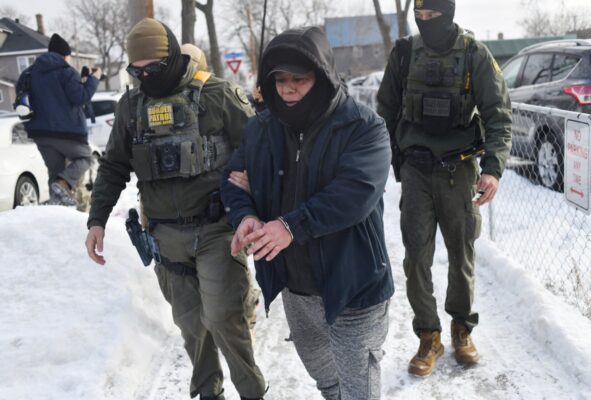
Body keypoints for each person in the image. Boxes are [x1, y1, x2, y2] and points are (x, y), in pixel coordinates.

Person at [84, 18, 267, 400]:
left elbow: (260, 150)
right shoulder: (131, 106)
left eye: (153, 68)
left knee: (223, 317)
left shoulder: (218, 95)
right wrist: (97, 219)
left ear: (171, 57)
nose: (146, 77)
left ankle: (252, 392)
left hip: (217, 230)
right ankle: (209, 392)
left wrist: (258, 205)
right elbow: (114, 165)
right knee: (191, 325)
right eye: (137, 71)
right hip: (165, 237)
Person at [221, 26, 394, 400]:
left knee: (358, 390)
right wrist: (246, 216)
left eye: (299, 79)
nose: (288, 89)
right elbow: (233, 181)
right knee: (326, 379)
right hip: (296, 286)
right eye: (280, 80)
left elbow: (355, 193)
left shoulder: (364, 127)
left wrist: (290, 225)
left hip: (354, 283)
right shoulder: (260, 129)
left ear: (323, 75)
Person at [377, 0, 512, 377]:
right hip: (416, 170)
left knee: (461, 254)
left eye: (432, 16)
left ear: (448, 14)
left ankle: (461, 328)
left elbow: (499, 114)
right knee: (416, 257)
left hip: (460, 170)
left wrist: (493, 170)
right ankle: (429, 335)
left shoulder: (473, 54)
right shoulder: (404, 53)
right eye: (419, 16)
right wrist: (388, 161)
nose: (425, 21)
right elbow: (385, 111)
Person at [16, 33, 101, 206]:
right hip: (67, 132)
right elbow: (81, 97)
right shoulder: (66, 72)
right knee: (85, 159)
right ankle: (63, 184)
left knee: (55, 172)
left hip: (40, 133)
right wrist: (93, 79)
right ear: (65, 55)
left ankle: (58, 208)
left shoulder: (28, 73)